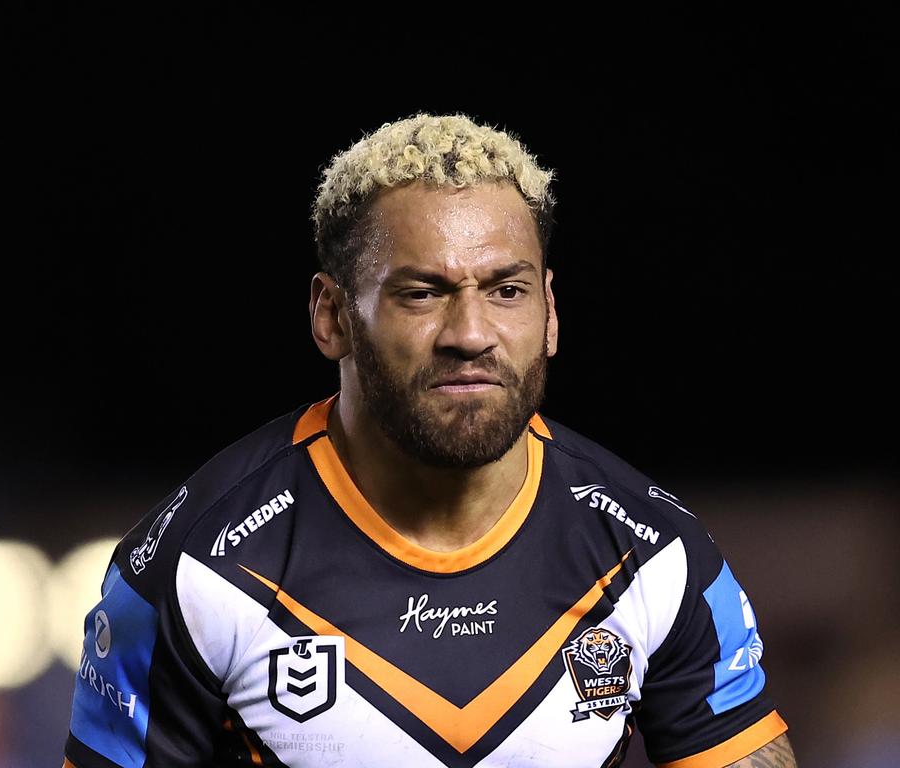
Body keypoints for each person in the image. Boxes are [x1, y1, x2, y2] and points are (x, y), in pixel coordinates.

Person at [62, 112, 796, 767]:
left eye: (505, 290)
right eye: (422, 293)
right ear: (332, 316)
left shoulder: (654, 554)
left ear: (548, 312)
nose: (471, 335)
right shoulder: (196, 568)